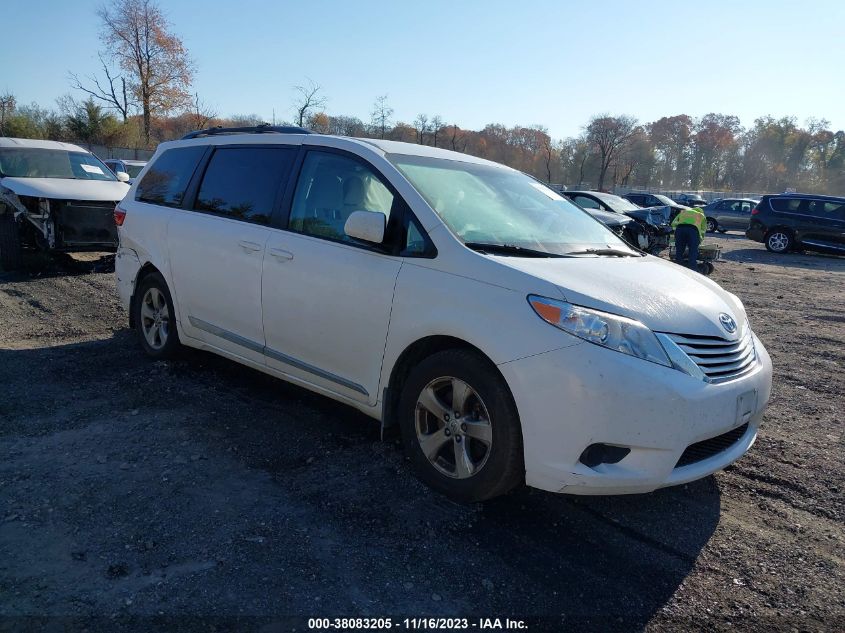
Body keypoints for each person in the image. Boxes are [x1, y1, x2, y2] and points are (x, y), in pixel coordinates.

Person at [671, 206, 707, 270]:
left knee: (679, 249)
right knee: (693, 250)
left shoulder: (683, 212)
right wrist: (700, 239)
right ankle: (693, 268)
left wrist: (676, 231)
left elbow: (673, 223)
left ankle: (678, 267)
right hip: (693, 231)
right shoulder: (701, 215)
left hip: (680, 230)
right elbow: (703, 230)